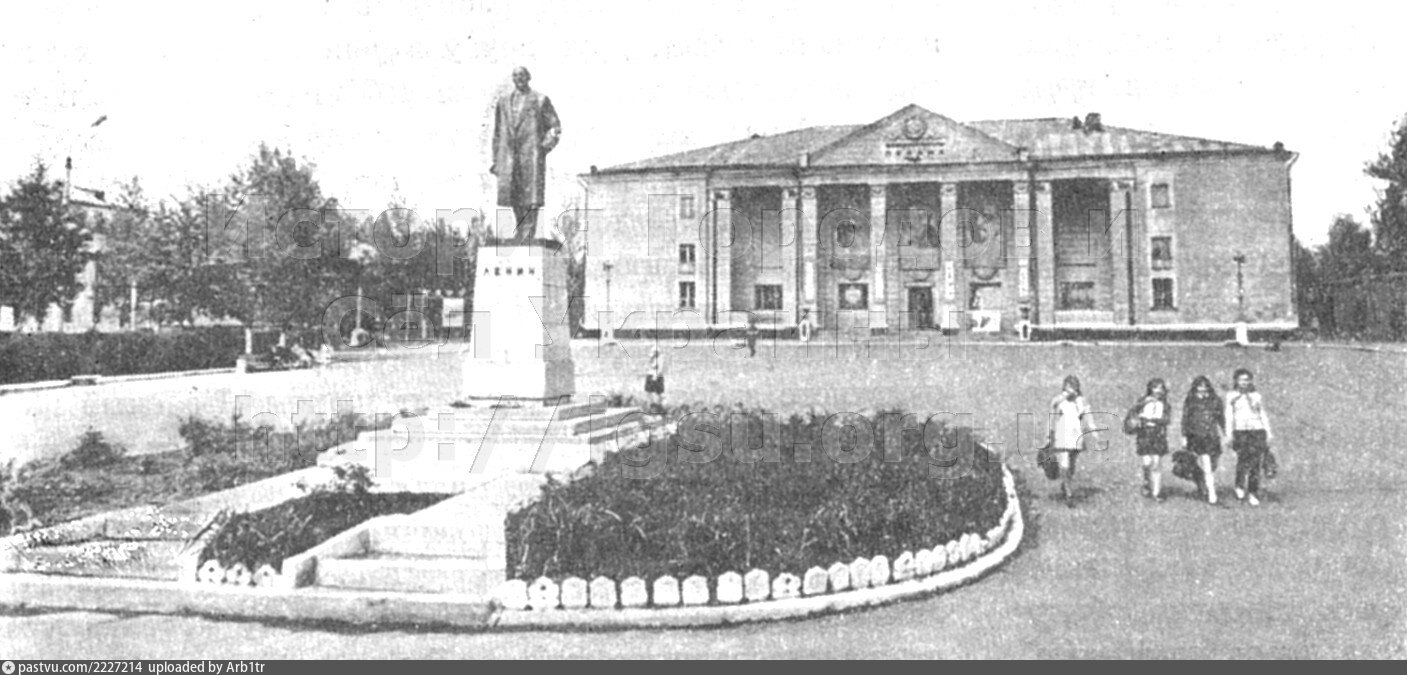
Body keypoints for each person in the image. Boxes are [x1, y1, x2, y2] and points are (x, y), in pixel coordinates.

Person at [490, 67, 561, 243]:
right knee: (514, 194)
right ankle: (521, 230)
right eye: (515, 75)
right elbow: (497, 132)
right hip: (509, 157)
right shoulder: (503, 102)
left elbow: (555, 127)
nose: (519, 78)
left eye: (522, 75)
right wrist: (496, 159)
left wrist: (543, 148)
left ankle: (529, 231)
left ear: (528, 77)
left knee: (531, 197)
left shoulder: (540, 99)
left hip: (531, 155)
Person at [1046, 374, 1099, 506]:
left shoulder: (1081, 401)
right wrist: (1049, 433)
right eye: (1068, 386)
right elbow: (1052, 416)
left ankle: (1066, 484)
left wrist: (1093, 430)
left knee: (1072, 464)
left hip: (1076, 435)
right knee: (1064, 464)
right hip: (1062, 435)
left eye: (1073, 386)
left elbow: (1088, 416)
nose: (1070, 389)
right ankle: (1069, 494)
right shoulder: (1058, 400)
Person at [1226, 368, 1273, 506]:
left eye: (1247, 380)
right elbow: (1229, 416)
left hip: (1256, 430)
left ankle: (1253, 492)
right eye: (1241, 380)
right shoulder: (1231, 396)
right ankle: (1239, 485)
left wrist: (1268, 432)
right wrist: (1229, 433)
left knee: (1255, 463)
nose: (1244, 383)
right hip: (1240, 431)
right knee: (1243, 460)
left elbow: (1262, 413)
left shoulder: (1256, 396)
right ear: (1236, 381)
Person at [1181, 375, 1226, 505]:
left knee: (1213, 464)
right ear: (1195, 387)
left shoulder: (1215, 400)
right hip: (1197, 436)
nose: (1202, 389)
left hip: (1212, 436)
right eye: (1199, 386)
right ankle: (1212, 493)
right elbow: (1185, 419)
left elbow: (1221, 417)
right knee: (1207, 465)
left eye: (1205, 386)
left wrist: (1226, 432)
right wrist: (1184, 436)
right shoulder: (1190, 400)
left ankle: (1201, 481)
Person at [1131, 378, 1173, 501]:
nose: (1158, 391)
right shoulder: (1143, 401)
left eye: (1161, 388)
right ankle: (1146, 481)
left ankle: (1156, 492)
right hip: (1144, 433)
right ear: (1150, 389)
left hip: (1158, 434)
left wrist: (1155, 420)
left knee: (1156, 463)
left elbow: (1167, 420)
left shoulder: (1165, 405)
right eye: (1155, 388)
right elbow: (1133, 413)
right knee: (1147, 462)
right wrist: (1142, 406)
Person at [643, 346, 665, 413]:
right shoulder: (653, 358)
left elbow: (659, 369)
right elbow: (649, 367)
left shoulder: (659, 359)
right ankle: (652, 407)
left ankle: (658, 407)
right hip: (652, 376)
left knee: (658, 393)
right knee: (650, 393)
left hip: (656, 376)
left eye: (655, 352)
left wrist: (655, 376)